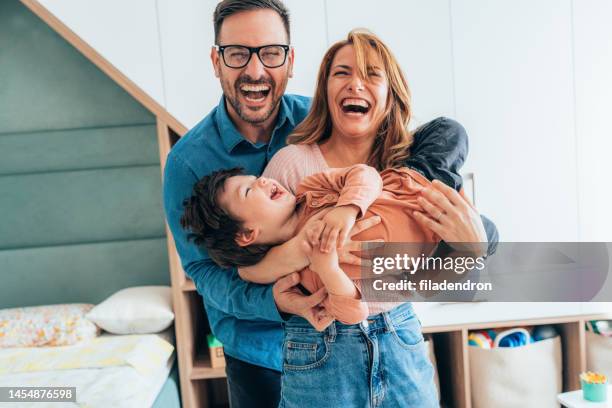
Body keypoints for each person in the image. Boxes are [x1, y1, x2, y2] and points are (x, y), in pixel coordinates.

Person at [163, 1, 498, 406]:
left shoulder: (325, 120)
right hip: (269, 348)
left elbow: (405, 249)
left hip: (390, 330)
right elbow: (207, 270)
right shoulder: (189, 162)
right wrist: (281, 291)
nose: (255, 70)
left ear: (290, 61)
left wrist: (467, 249)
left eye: (270, 53)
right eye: (237, 54)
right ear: (217, 61)